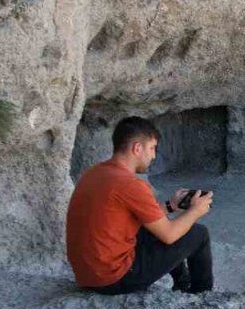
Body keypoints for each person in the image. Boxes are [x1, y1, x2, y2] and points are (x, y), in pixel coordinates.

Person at [66, 116, 214, 294]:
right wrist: (196, 211)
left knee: (152, 227)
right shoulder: (130, 184)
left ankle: (182, 283)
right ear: (137, 148)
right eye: (152, 148)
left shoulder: (94, 173)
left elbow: (142, 219)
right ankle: (201, 295)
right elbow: (169, 235)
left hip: (87, 274)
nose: (153, 155)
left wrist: (171, 206)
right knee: (198, 234)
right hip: (113, 278)